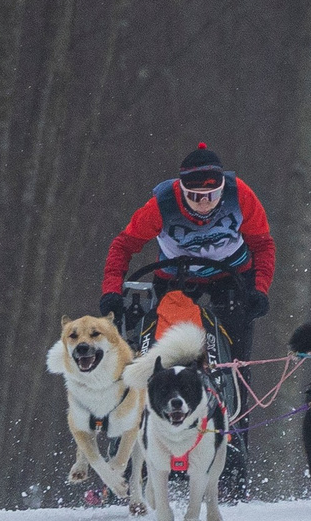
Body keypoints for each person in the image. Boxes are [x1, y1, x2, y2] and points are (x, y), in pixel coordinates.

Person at [100, 144, 274, 500]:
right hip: (176, 280)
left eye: (211, 195)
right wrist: (111, 292)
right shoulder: (160, 205)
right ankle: (134, 447)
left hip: (232, 278)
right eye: (194, 196)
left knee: (234, 363)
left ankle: (234, 446)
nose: (204, 203)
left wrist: (259, 288)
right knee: (159, 350)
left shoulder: (241, 196)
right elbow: (123, 245)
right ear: (181, 191)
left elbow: (262, 244)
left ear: (221, 189)